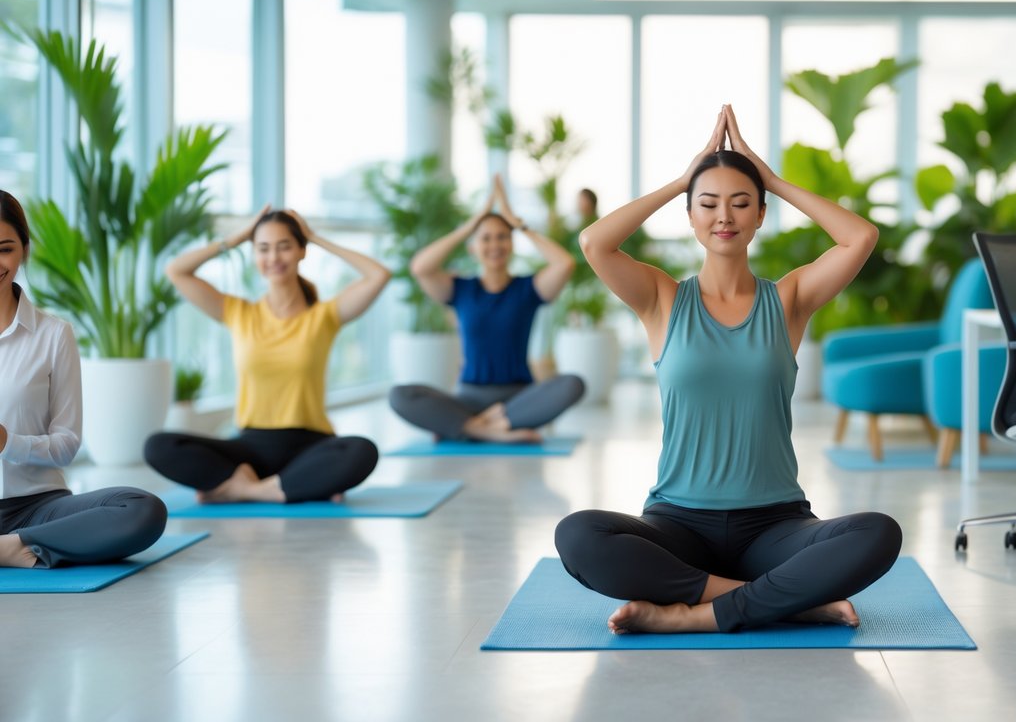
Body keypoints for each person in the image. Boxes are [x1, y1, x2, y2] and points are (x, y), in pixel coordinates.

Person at [554, 105, 902, 634]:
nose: (725, 216)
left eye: (742, 203)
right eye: (708, 203)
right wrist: (682, 179)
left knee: (879, 533)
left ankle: (690, 617)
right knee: (578, 535)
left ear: (760, 216)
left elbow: (860, 238)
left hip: (776, 526)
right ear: (690, 216)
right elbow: (594, 242)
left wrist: (774, 180)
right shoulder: (661, 299)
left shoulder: (789, 300)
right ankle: (784, 602)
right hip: (678, 524)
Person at [143, 207, 389, 503]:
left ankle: (239, 490)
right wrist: (235, 238)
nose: (273, 258)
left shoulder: (324, 316)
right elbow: (176, 271)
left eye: (284, 247)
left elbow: (379, 274)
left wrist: (315, 237)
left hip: (310, 445)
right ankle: (278, 489)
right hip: (250, 449)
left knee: (362, 451)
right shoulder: (238, 313)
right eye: (263, 249)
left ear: (301, 251)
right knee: (157, 446)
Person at [0, 189, 166, 567]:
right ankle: (24, 549)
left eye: (4, 248)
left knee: (143, 509)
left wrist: (8, 441)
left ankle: (15, 544)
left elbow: (66, 445)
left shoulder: (54, 334)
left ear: (24, 249)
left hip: (36, 508)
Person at [388, 174, 584, 442]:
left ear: (512, 244)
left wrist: (518, 223)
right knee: (400, 395)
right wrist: (470, 225)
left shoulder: (528, 288)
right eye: (486, 238)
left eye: (503, 237)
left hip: (520, 397)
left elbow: (565, 264)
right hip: (469, 396)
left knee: (573, 384)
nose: (495, 245)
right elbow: (420, 267)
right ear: (473, 247)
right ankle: (489, 429)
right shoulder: (460, 289)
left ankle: (476, 426)